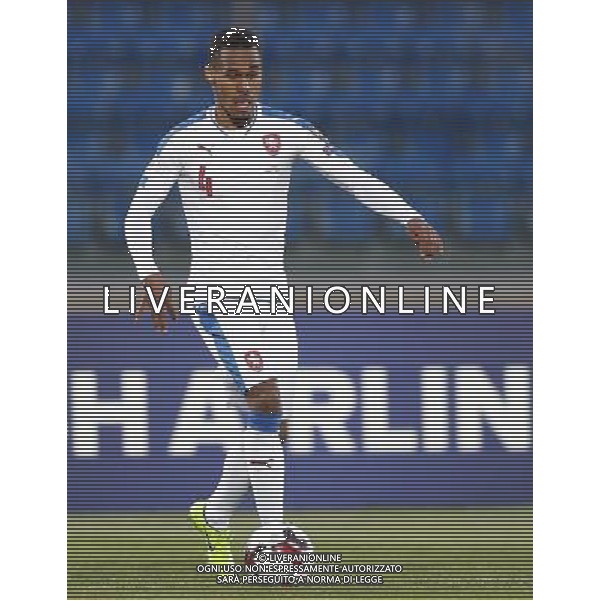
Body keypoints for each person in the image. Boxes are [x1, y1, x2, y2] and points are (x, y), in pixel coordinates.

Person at [125, 27, 443, 564]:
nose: (243, 82)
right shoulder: (182, 140)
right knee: (266, 398)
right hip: (215, 294)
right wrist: (154, 281)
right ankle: (271, 537)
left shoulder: (287, 130)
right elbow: (139, 217)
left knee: (266, 415)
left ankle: (217, 508)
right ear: (210, 76)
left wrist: (408, 215)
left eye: (252, 72)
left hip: (272, 295)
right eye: (231, 72)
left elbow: (347, 175)